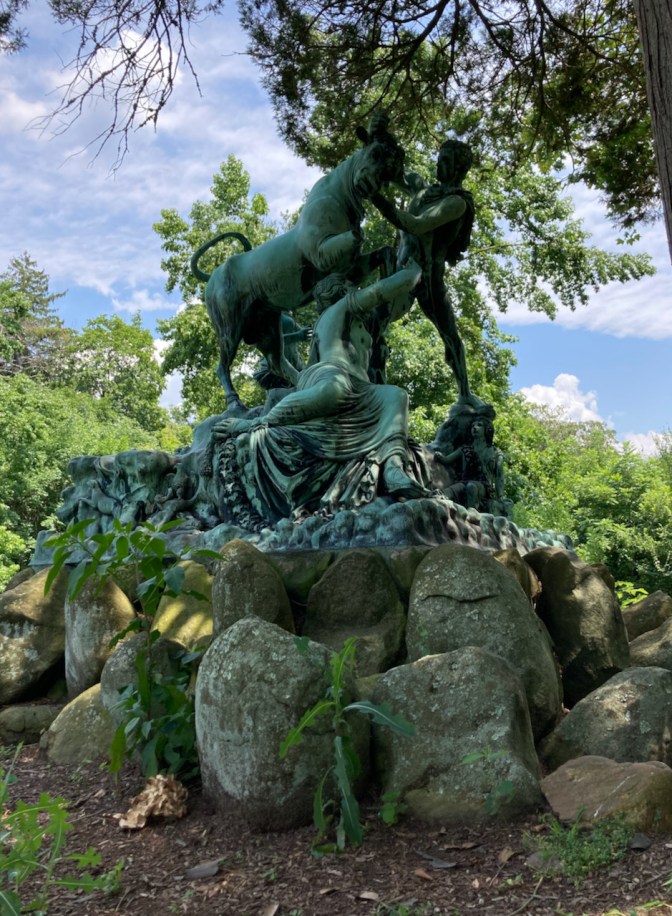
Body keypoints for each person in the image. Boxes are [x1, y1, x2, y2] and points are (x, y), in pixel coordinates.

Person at [214, 261, 429, 522]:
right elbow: (385, 289)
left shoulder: (359, 323)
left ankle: (394, 468)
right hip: (332, 375)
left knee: (396, 395)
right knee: (333, 389)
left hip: (363, 388)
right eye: (351, 286)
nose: (355, 288)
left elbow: (305, 370)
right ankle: (255, 424)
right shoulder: (343, 306)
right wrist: (413, 271)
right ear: (341, 292)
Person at [370, 139, 475, 399]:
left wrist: (375, 197)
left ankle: (465, 393)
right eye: (439, 157)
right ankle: (370, 379)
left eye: (446, 159)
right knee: (375, 319)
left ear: (459, 167)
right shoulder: (422, 189)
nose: (438, 162)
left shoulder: (456, 204)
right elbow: (396, 174)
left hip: (428, 277)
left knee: (449, 334)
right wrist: (376, 144)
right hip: (403, 268)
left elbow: (415, 225)